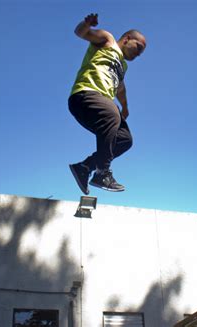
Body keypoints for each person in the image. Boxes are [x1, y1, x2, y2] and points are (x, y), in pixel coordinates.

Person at [68, 13, 147, 194]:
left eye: (141, 53)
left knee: (125, 139)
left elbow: (120, 89)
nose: (138, 54)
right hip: (84, 95)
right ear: (127, 39)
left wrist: (125, 108)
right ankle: (102, 173)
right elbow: (80, 33)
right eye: (138, 47)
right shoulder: (107, 40)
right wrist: (86, 24)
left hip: (101, 105)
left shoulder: (122, 66)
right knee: (112, 111)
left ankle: (85, 167)